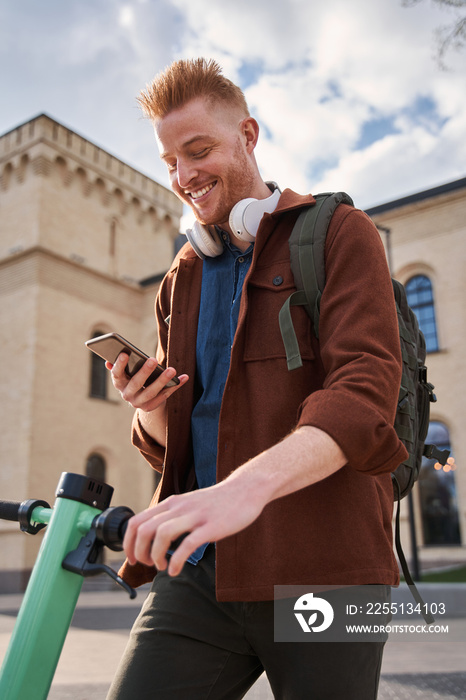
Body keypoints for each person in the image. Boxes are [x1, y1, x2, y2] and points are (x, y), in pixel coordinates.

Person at [106, 58, 408, 700]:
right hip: (200, 571)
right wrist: (149, 407)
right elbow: (176, 437)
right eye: (170, 163)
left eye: (198, 150)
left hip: (329, 570)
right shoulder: (182, 275)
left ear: (248, 134)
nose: (184, 176)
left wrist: (241, 491)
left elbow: (363, 396)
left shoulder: (339, 234)